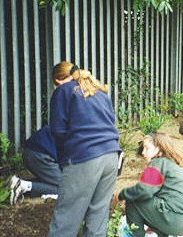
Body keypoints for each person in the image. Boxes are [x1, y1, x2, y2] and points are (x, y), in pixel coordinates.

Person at [47, 61, 121, 236]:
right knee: (98, 218)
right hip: (111, 157)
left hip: (85, 158)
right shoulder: (100, 92)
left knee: (66, 219)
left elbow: (58, 131)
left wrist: (64, 160)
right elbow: (111, 122)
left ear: (57, 80)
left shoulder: (62, 92)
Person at [114, 133, 183, 237]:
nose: (143, 152)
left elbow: (144, 190)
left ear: (159, 148)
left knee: (133, 199)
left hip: (175, 218)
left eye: (147, 148)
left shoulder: (158, 163)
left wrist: (121, 194)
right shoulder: (171, 165)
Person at [10, 125, 60, 205]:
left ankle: (19, 185)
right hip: (41, 155)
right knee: (70, 188)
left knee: (59, 182)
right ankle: (23, 187)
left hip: (32, 151)